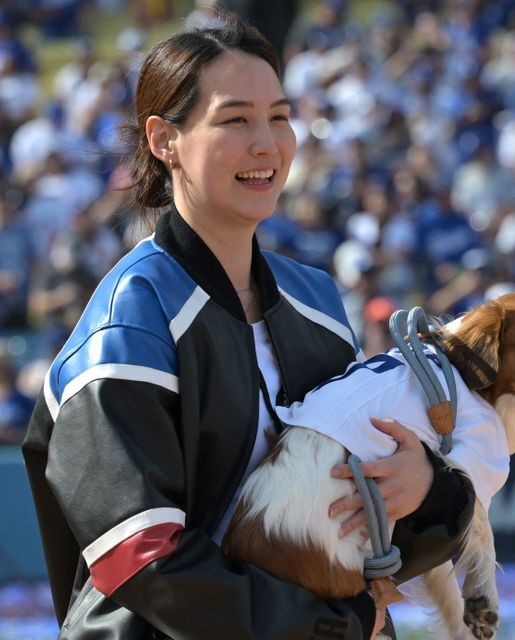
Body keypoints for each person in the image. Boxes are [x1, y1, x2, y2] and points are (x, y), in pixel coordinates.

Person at [22, 12, 474, 640]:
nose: (267, 143)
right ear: (164, 140)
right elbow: (141, 557)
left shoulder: (315, 299)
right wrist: (327, 627)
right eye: (235, 120)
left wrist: (428, 488)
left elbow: (359, 519)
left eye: (280, 116)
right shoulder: (129, 323)